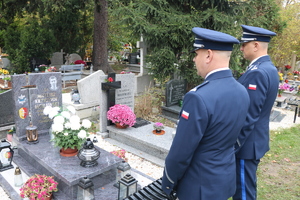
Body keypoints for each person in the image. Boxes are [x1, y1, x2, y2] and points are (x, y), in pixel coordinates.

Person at [161, 27, 250, 200]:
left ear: (208, 55)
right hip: (223, 181)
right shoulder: (242, 91)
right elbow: (241, 136)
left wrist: (168, 182)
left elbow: (181, 153)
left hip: (198, 187)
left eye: (197, 54)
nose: (194, 59)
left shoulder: (198, 97)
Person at [233, 25, 279, 200]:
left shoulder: (258, 72)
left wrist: (234, 145)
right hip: (253, 141)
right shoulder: (268, 68)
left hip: (246, 145)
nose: (241, 48)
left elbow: (248, 115)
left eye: (245, 44)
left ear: (256, 45)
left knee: (244, 193)